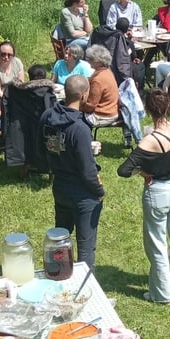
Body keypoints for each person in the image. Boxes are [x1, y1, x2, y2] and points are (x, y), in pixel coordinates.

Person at [117, 88, 170, 305]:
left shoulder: (147, 142)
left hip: (159, 192)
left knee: (157, 244)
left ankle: (162, 295)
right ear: (168, 106)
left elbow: (123, 170)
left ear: (148, 110)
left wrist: (144, 172)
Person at [41, 75, 105, 269]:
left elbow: (45, 147)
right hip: (83, 193)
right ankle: (85, 294)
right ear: (84, 94)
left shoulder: (47, 118)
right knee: (85, 247)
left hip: (60, 186)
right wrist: (99, 191)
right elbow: (87, 171)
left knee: (61, 241)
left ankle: (58, 277)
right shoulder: (80, 128)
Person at [81, 45, 122, 128]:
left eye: (91, 59)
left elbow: (90, 106)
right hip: (112, 110)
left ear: (99, 62)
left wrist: (78, 106)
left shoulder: (98, 80)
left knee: (73, 116)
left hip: (102, 115)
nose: (88, 61)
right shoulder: (107, 71)